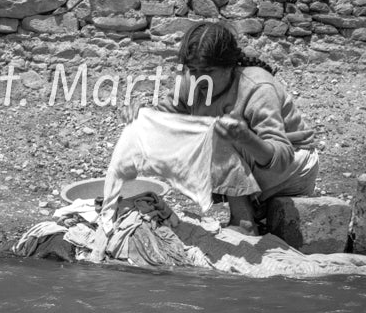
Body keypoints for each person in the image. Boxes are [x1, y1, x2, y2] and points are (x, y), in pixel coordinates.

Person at [133, 20, 318, 234]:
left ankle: (244, 222)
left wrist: (246, 137)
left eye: (208, 71)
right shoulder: (191, 82)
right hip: (254, 165)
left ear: (230, 67)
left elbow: (281, 158)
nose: (199, 79)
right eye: (192, 70)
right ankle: (250, 205)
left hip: (292, 167)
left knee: (214, 134)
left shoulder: (257, 88)